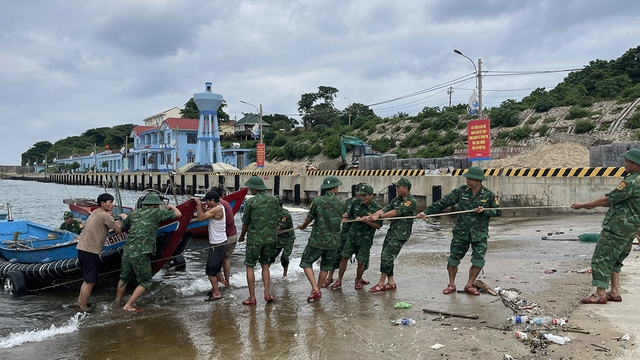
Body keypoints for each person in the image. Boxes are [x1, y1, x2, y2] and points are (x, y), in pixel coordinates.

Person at [570, 149, 640, 304]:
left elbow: (608, 200)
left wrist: (583, 205)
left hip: (617, 227)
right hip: (630, 229)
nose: (624, 164)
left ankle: (600, 294)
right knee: (615, 260)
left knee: (602, 258)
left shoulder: (632, 181)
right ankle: (614, 292)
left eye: (627, 161)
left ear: (635, 164)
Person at [418, 167, 501, 296]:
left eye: (471, 179)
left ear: (479, 180)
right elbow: (442, 203)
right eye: (467, 178)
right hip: (461, 232)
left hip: (479, 234)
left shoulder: (488, 194)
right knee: (453, 259)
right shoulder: (461, 191)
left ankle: (470, 284)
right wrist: (426, 212)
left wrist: (485, 211)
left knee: (478, 261)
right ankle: (451, 284)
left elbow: (498, 211)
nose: (468, 181)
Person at [116, 194, 181, 312]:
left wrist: (124, 216)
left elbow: (125, 225)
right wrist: (171, 206)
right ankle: (128, 305)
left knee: (124, 278)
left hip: (128, 250)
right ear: (155, 205)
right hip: (142, 251)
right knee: (145, 282)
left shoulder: (134, 213)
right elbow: (178, 214)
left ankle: (117, 303)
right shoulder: (156, 213)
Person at [298, 176, 345, 301]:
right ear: (335, 188)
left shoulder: (318, 201)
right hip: (334, 242)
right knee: (325, 266)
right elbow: (340, 216)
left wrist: (303, 226)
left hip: (317, 240)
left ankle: (315, 288)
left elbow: (310, 216)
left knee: (306, 262)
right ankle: (316, 291)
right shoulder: (341, 201)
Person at [366, 177, 416, 293]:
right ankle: (391, 282)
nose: (397, 189)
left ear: (406, 188)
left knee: (387, 256)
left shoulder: (410, 201)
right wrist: (370, 216)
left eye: (398, 187)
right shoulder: (397, 199)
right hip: (392, 231)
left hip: (401, 234)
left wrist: (378, 217)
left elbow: (395, 212)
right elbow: (385, 209)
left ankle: (381, 283)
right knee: (386, 254)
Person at [76, 193, 125, 311]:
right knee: (91, 281)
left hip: (82, 248)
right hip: (91, 251)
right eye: (110, 202)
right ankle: (82, 308)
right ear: (102, 204)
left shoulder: (94, 213)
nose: (112, 205)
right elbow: (118, 230)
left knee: (87, 279)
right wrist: (120, 220)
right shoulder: (105, 216)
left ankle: (80, 303)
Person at [237, 176, 279, 305]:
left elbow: (246, 222)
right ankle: (267, 293)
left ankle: (252, 297)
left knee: (250, 265)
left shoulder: (251, 202)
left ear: (254, 188)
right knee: (265, 265)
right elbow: (276, 217)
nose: (249, 190)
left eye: (250, 187)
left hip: (254, 239)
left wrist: (242, 236)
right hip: (270, 238)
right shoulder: (274, 200)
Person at [335, 183, 382, 290]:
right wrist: (335, 218)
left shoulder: (376, 208)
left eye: (365, 195)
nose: (362, 198)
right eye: (361, 195)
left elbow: (378, 226)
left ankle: (358, 280)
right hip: (351, 236)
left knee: (361, 261)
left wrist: (365, 221)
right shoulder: (355, 203)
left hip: (364, 239)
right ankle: (339, 280)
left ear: (371, 195)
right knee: (344, 257)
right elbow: (348, 214)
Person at [324, 183, 363, 288]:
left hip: (361, 235)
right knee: (338, 256)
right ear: (356, 192)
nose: (361, 195)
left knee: (362, 259)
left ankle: (359, 278)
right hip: (345, 233)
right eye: (359, 192)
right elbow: (339, 214)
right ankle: (330, 277)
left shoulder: (368, 205)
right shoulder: (349, 202)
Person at [194, 191, 227, 301]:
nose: (207, 204)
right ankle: (214, 289)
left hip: (217, 244)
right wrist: (203, 208)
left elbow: (200, 218)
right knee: (216, 269)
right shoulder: (220, 207)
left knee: (210, 270)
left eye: (207, 202)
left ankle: (217, 293)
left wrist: (199, 205)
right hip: (221, 243)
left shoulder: (217, 209)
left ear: (212, 200)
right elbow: (208, 212)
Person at [271, 195, 295, 278]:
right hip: (278, 238)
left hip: (288, 238)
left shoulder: (285, 214)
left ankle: (285, 274)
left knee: (284, 257)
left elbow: (278, 228)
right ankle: (265, 273)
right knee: (271, 256)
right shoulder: (272, 213)